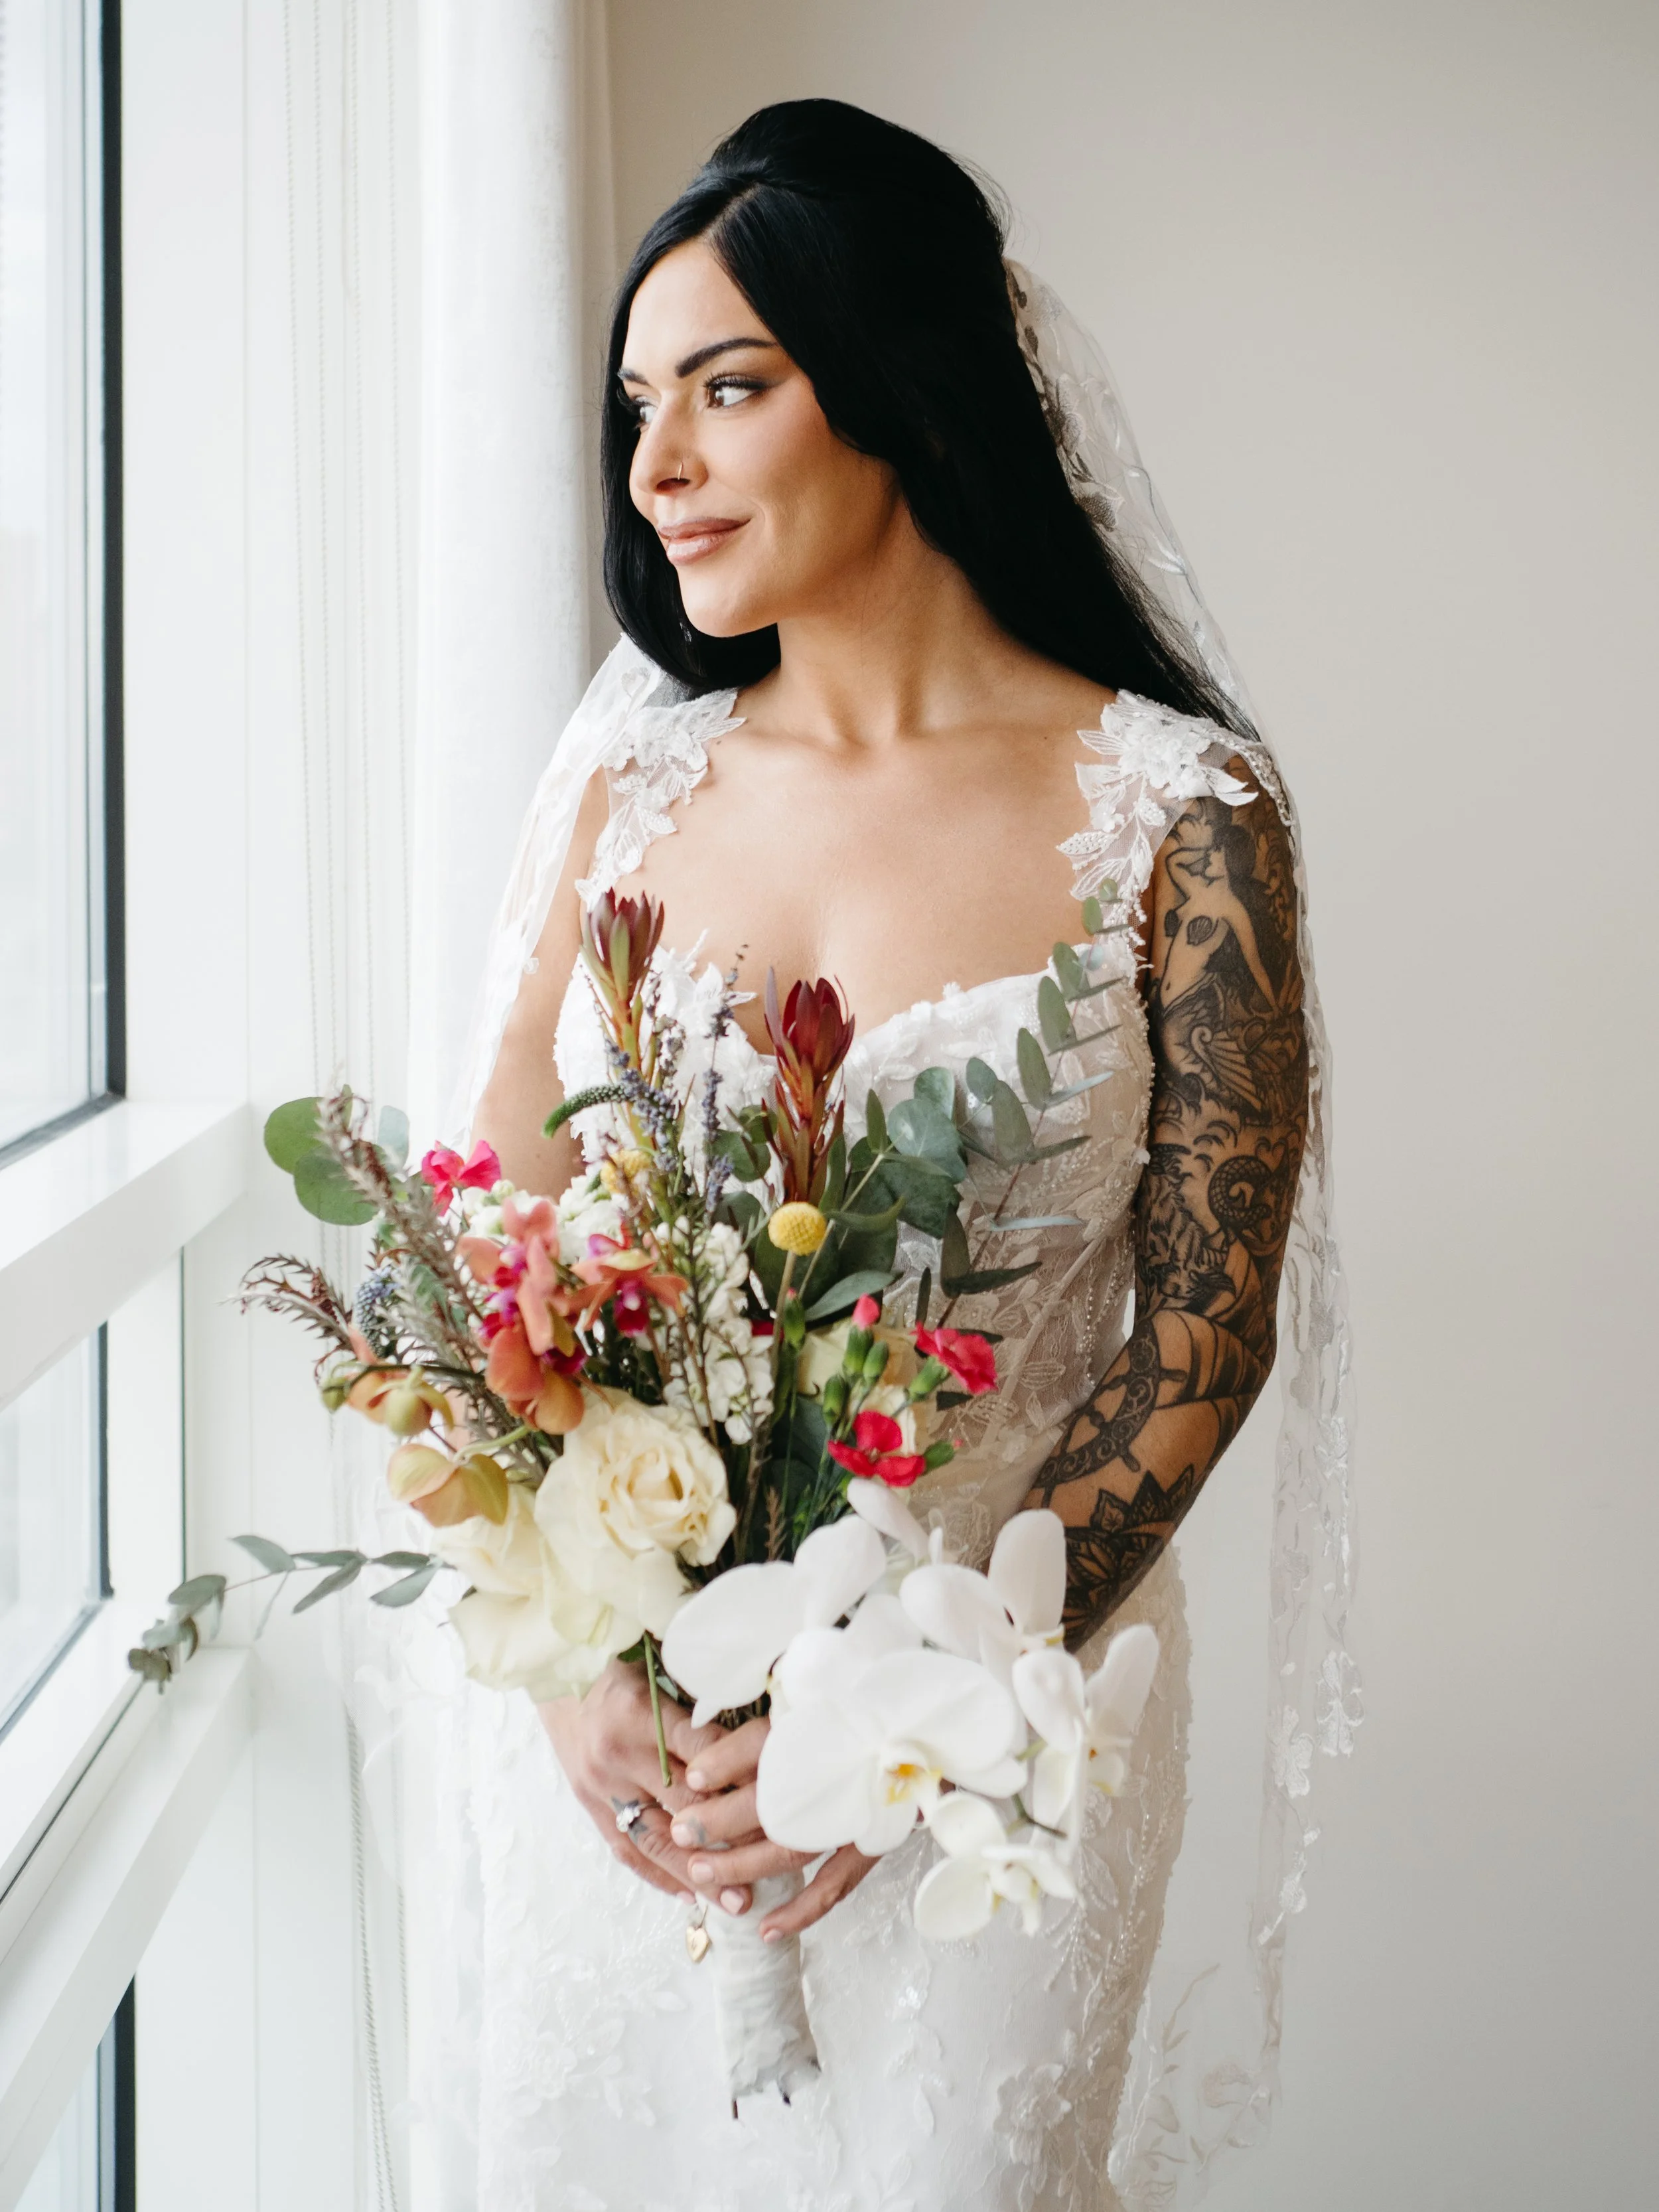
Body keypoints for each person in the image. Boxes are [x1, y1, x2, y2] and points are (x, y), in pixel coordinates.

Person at [437, 98, 1351, 2212]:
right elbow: (475, 1231)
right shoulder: (625, 795)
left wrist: (911, 1704)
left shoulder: (1180, 816)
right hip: (637, 1771)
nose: (654, 465)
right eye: (634, 404)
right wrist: (575, 1650)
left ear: (901, 384)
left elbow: (1199, 1341)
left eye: (726, 388)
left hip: (999, 1739)